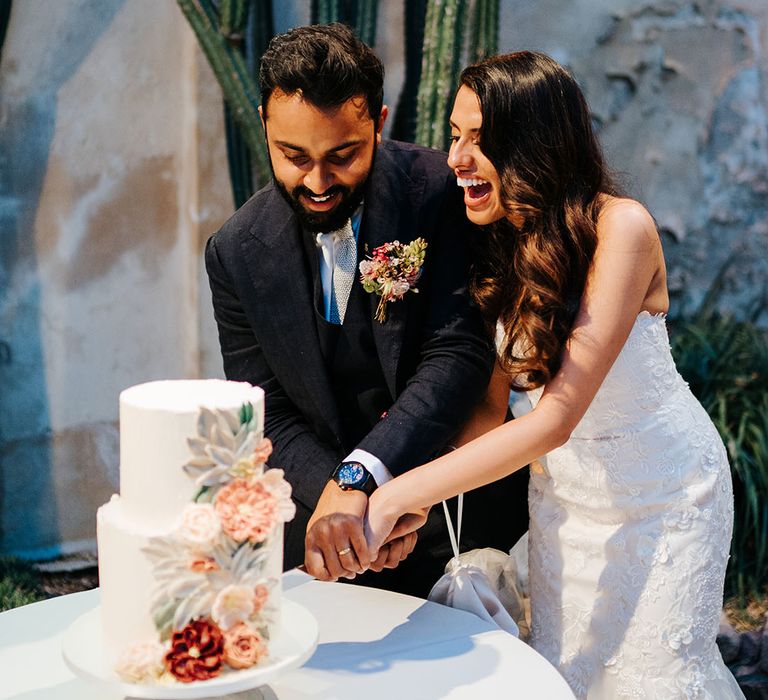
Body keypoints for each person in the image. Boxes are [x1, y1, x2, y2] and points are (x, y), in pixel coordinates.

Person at [365, 52, 744, 698]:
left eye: (479, 140)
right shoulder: (491, 241)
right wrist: (396, 466)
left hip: (665, 503)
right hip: (566, 509)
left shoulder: (622, 228)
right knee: (570, 680)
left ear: (534, 141)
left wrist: (400, 495)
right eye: (454, 136)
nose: (456, 158)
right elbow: (489, 417)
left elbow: (556, 420)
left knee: (654, 681)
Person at [205, 24, 528, 597]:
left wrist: (368, 476)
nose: (318, 181)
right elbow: (265, 408)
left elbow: (457, 354)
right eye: (293, 155)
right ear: (263, 123)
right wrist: (337, 497)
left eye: (343, 155)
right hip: (325, 527)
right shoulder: (234, 251)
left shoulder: (441, 194)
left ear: (377, 123)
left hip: (449, 510)